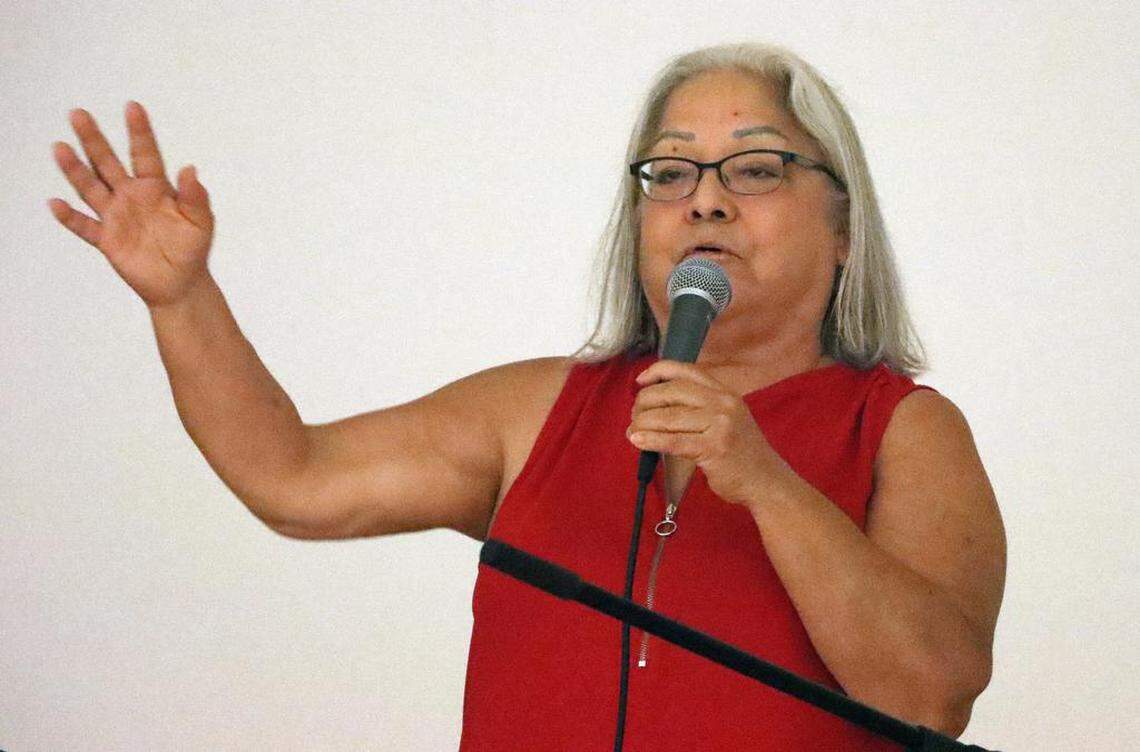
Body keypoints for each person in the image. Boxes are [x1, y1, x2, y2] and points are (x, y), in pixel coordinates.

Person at [48, 41, 1006, 750]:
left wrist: (764, 481)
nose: (705, 200)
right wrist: (182, 298)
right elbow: (293, 481)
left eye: (757, 169)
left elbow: (931, 697)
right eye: (671, 172)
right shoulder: (539, 411)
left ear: (844, 228)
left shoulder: (903, 430)